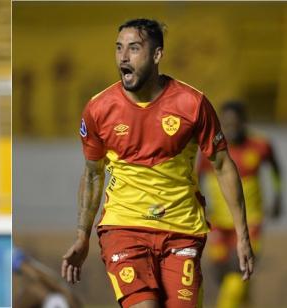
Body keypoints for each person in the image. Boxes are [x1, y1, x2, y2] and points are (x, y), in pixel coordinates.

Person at [61, 18, 254, 308]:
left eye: (134, 48)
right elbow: (92, 175)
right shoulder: (99, 109)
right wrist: (81, 236)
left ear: (157, 55)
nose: (123, 57)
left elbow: (223, 165)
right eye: (119, 48)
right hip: (124, 228)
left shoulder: (192, 104)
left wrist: (242, 235)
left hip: (182, 231)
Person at [198, 101, 283, 308]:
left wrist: (277, 198)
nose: (231, 128)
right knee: (222, 275)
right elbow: (197, 178)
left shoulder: (261, 146)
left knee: (238, 275)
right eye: (226, 123)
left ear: (244, 122)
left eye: (235, 123)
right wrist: (200, 204)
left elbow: (275, 170)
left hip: (250, 222)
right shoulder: (211, 149)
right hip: (218, 223)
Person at [13, 247, 82, 308]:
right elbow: (56, 284)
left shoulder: (36, 293)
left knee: (36, 291)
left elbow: (51, 282)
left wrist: (25, 265)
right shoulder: (70, 300)